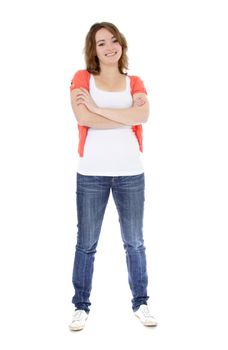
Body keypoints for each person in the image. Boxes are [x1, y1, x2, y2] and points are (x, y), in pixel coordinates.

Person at [69, 22, 157, 331]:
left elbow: (142, 116)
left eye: (114, 40)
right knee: (86, 243)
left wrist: (98, 110)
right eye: (101, 42)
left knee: (134, 242)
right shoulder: (82, 78)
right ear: (93, 49)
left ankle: (141, 302)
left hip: (131, 172)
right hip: (91, 173)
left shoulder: (135, 81)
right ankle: (80, 306)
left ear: (122, 44)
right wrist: (118, 115)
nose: (109, 47)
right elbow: (83, 117)